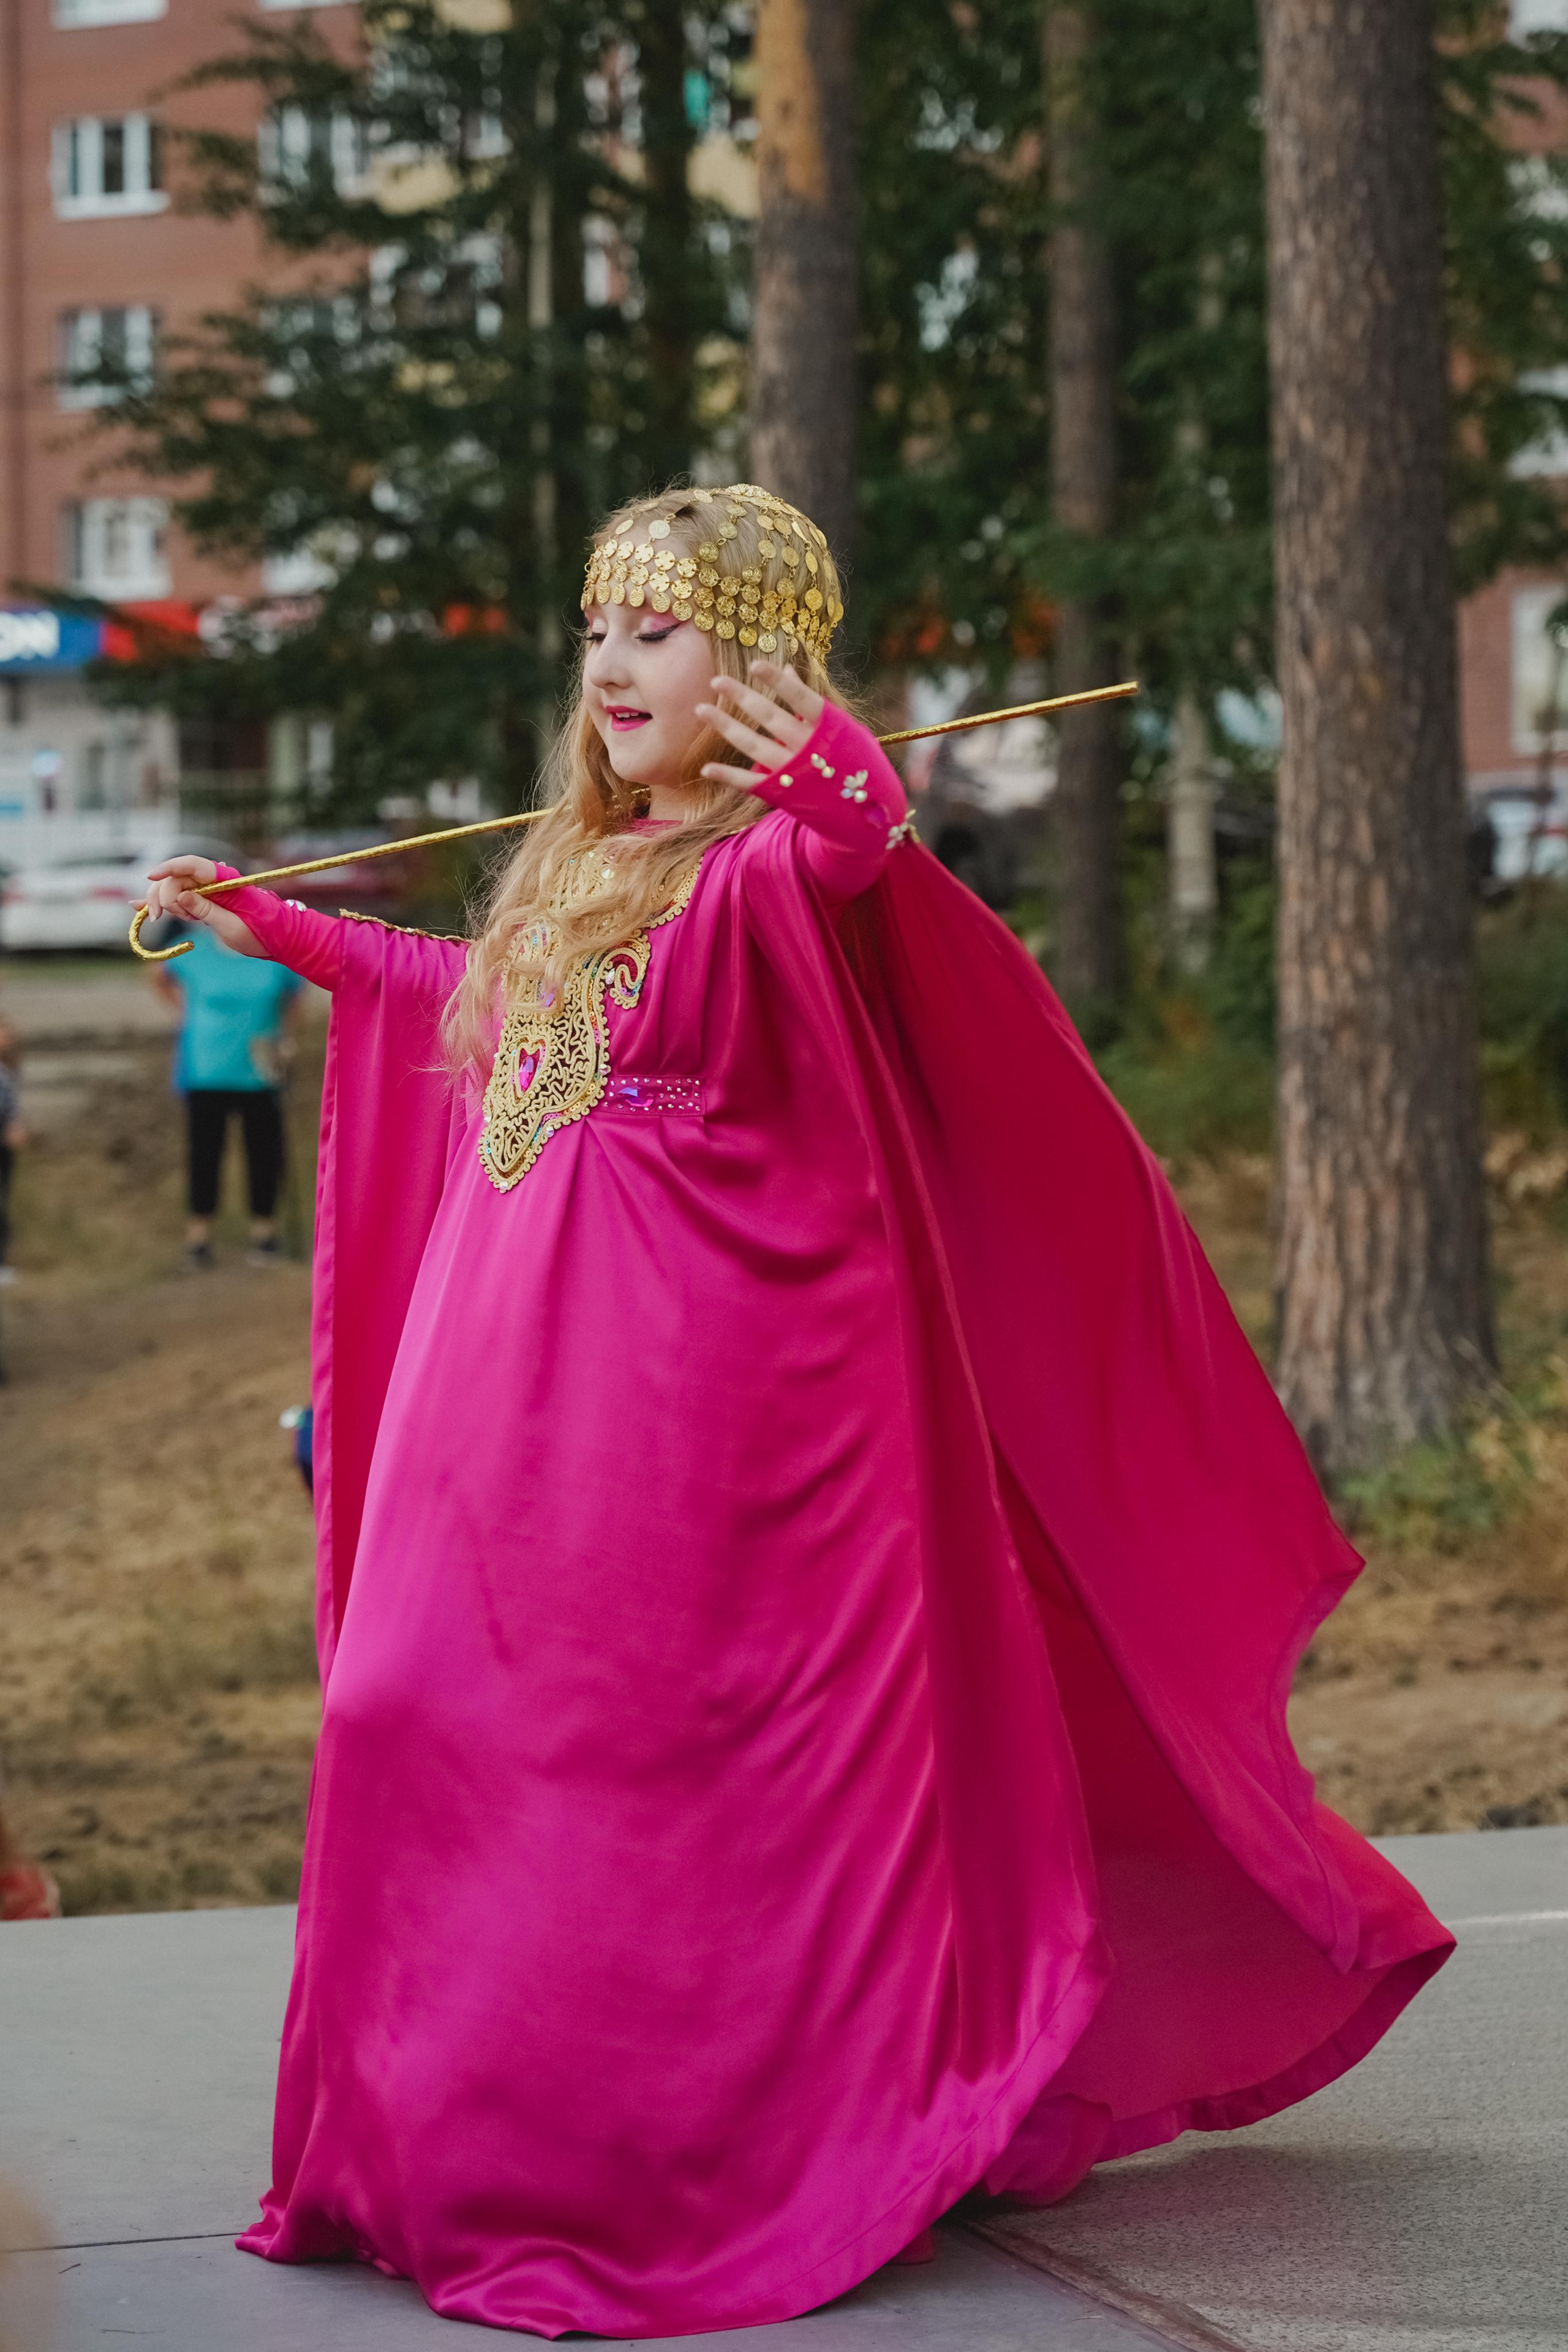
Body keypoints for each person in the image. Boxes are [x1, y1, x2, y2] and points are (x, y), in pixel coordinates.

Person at [145, 483, 1452, 2342]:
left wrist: (831, 767)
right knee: (403, 1699)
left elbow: (855, 849)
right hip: (498, 1396)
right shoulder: (584, 858)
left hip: (683, 1397)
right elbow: (485, 1006)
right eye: (598, 628)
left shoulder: (762, 864)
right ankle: (458, 2141)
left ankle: (669, 2154)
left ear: (752, 669)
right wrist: (274, 926)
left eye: (657, 631)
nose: (610, 666)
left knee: (637, 1760)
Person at [150, 921, 302, 1268]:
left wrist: (286, 1040)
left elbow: (294, 996)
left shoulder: (273, 949)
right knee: (205, 1153)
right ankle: (199, 1236)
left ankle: (265, 1233)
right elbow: (157, 975)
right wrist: (184, 1015)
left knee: (265, 1152)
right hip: (206, 1068)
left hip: (261, 1069)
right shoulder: (192, 948)